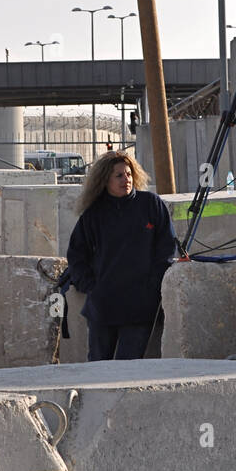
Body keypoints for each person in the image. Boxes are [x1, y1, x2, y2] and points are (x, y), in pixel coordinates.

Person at [65, 150, 176, 360]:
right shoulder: (93, 214)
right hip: (103, 307)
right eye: (119, 175)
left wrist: (153, 286)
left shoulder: (151, 205)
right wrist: (91, 287)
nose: (126, 180)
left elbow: (167, 250)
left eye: (129, 174)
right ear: (105, 180)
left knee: (128, 369)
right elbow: (77, 255)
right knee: (98, 367)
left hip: (140, 307)